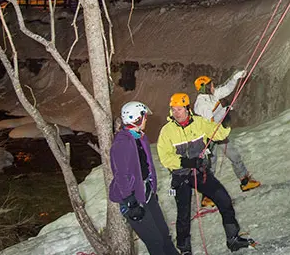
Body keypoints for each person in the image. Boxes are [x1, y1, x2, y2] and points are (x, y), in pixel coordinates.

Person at [157, 93, 256, 253]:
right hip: (180, 176)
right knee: (184, 214)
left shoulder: (199, 123)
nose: (176, 113)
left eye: (180, 109)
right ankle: (184, 249)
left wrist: (225, 123)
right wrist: (186, 162)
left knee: (224, 200)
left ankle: (233, 239)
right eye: (173, 110)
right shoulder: (167, 131)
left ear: (187, 109)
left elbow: (219, 134)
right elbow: (165, 157)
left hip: (200, 173)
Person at [108, 101, 178, 255]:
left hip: (146, 193)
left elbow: (146, 165)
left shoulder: (140, 137)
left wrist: (151, 189)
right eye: (144, 116)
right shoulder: (122, 142)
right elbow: (121, 175)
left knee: (164, 234)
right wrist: (130, 202)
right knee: (155, 242)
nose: (146, 119)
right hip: (133, 199)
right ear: (137, 119)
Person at [193, 72, 261, 193]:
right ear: (206, 88)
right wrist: (225, 111)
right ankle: (208, 195)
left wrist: (235, 77)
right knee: (211, 165)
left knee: (234, 155)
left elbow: (226, 89)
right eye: (211, 85)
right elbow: (210, 121)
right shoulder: (201, 105)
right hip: (209, 138)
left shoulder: (212, 95)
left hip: (219, 134)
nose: (214, 87)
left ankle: (245, 180)